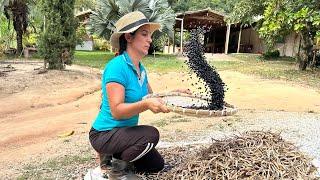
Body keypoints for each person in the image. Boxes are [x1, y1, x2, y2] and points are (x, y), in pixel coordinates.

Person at [89, 11, 190, 179]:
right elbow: (117, 110)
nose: (150, 39)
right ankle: (115, 170)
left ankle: (112, 157)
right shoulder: (117, 66)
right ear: (128, 37)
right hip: (104, 134)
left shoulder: (140, 69)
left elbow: (151, 96)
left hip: (124, 133)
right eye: (144, 34)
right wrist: (146, 105)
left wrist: (175, 93)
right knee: (151, 135)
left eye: (149, 35)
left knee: (156, 165)